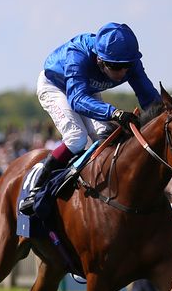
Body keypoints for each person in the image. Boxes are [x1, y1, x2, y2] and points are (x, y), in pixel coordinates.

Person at [19, 22, 161, 215]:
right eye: (116, 67)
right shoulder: (78, 54)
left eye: (127, 66)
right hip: (56, 86)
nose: (122, 73)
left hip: (87, 89)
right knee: (77, 137)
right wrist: (115, 113)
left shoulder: (129, 60)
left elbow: (149, 98)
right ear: (100, 60)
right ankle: (37, 188)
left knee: (105, 135)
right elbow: (76, 99)